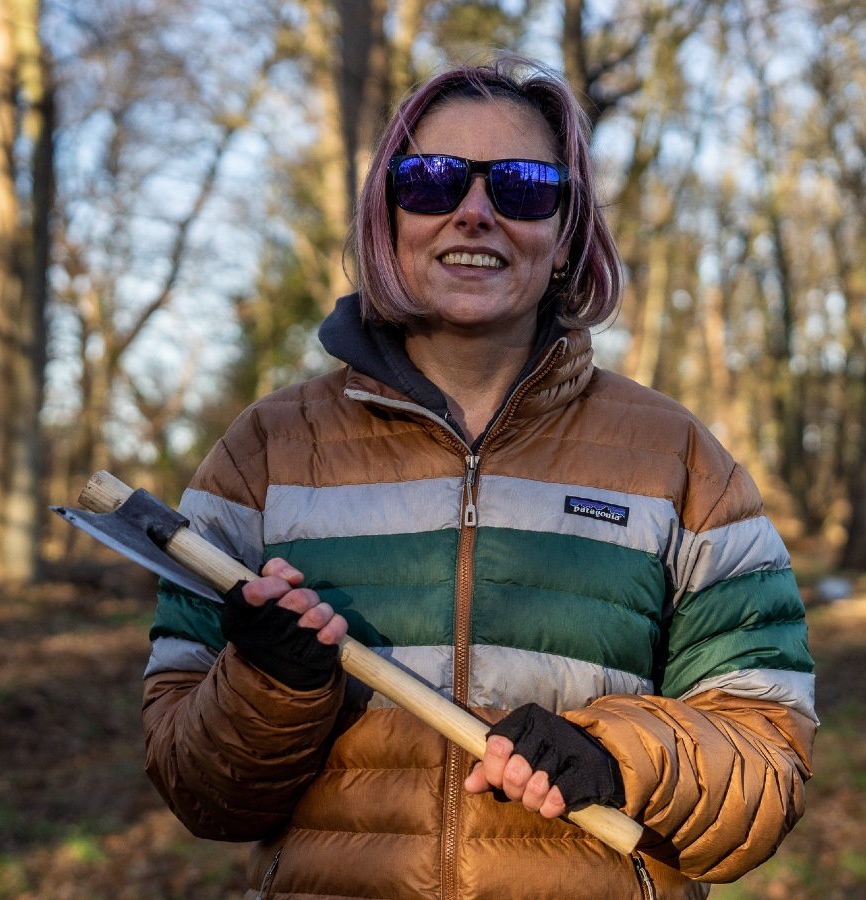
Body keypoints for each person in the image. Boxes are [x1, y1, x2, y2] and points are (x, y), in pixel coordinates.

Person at [142, 55, 816, 899]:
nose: (473, 213)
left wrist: (618, 757)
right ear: (387, 213)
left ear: (566, 229)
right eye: (431, 180)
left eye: (524, 186)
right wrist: (272, 684)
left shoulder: (681, 461)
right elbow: (197, 791)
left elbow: (768, 754)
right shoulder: (264, 454)